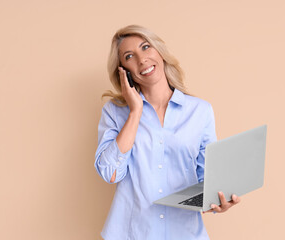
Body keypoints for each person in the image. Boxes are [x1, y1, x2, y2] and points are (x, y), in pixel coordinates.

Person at [94, 25, 241, 240]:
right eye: (129, 56)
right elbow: (110, 173)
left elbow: (207, 180)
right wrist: (135, 112)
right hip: (132, 233)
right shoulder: (115, 112)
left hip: (185, 233)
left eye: (146, 47)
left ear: (159, 52)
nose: (142, 59)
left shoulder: (200, 111)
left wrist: (218, 200)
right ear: (123, 70)